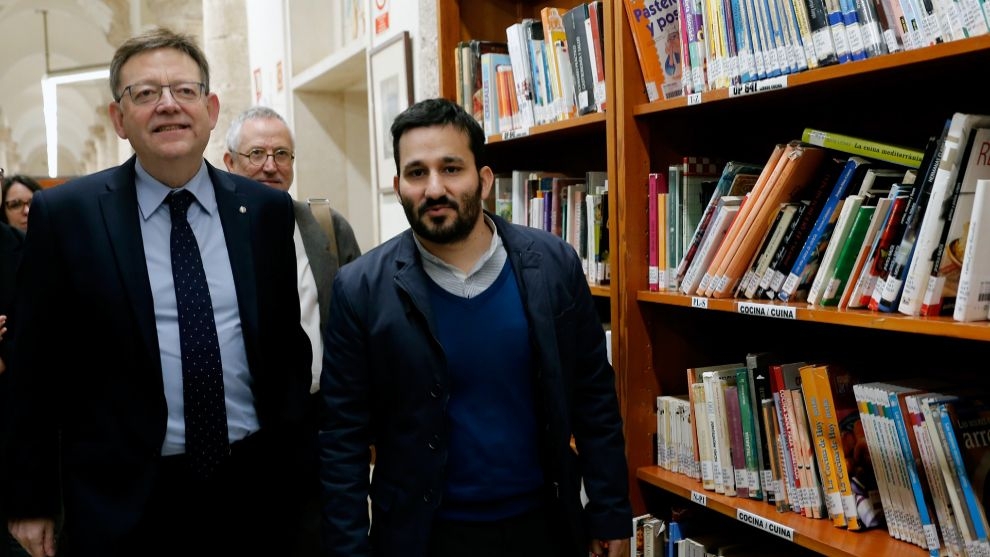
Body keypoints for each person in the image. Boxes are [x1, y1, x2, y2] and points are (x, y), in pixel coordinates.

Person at [2, 27, 311, 557]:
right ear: (118, 120)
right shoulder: (69, 216)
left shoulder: (264, 213)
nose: (168, 105)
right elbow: (33, 368)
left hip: (253, 491)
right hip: (124, 500)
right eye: (145, 94)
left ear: (211, 109)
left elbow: (285, 350)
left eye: (185, 91)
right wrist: (30, 500)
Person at [318, 97, 632, 557]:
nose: (434, 188)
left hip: (543, 527)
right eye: (417, 173)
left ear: (483, 180)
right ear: (398, 185)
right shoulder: (360, 288)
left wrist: (609, 510)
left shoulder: (552, 265)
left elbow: (594, 397)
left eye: (451, 168)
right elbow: (341, 438)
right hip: (423, 536)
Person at [223, 105, 362, 556]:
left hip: (316, 421)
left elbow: (358, 324)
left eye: (282, 153)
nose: (270, 165)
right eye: (256, 153)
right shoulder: (209, 232)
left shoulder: (325, 227)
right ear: (230, 163)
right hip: (238, 429)